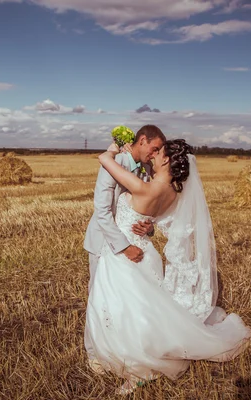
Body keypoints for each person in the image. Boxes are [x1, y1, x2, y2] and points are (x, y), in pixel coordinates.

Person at [85, 139, 251, 395]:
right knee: (142, 308)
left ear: (165, 160)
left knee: (121, 308)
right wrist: (149, 226)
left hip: (126, 254)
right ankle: (137, 352)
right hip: (146, 252)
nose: (153, 154)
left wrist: (116, 149)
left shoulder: (144, 187)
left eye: (158, 151)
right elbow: (150, 217)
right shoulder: (171, 192)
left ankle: (142, 365)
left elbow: (104, 160)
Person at [83, 125, 166, 372]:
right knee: (99, 301)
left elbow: (144, 208)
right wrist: (123, 247)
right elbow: (102, 211)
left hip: (134, 244)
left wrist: (148, 228)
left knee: (128, 301)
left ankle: (122, 349)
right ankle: (94, 354)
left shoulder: (145, 170)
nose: (155, 154)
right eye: (154, 148)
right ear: (142, 140)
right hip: (105, 244)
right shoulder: (115, 162)